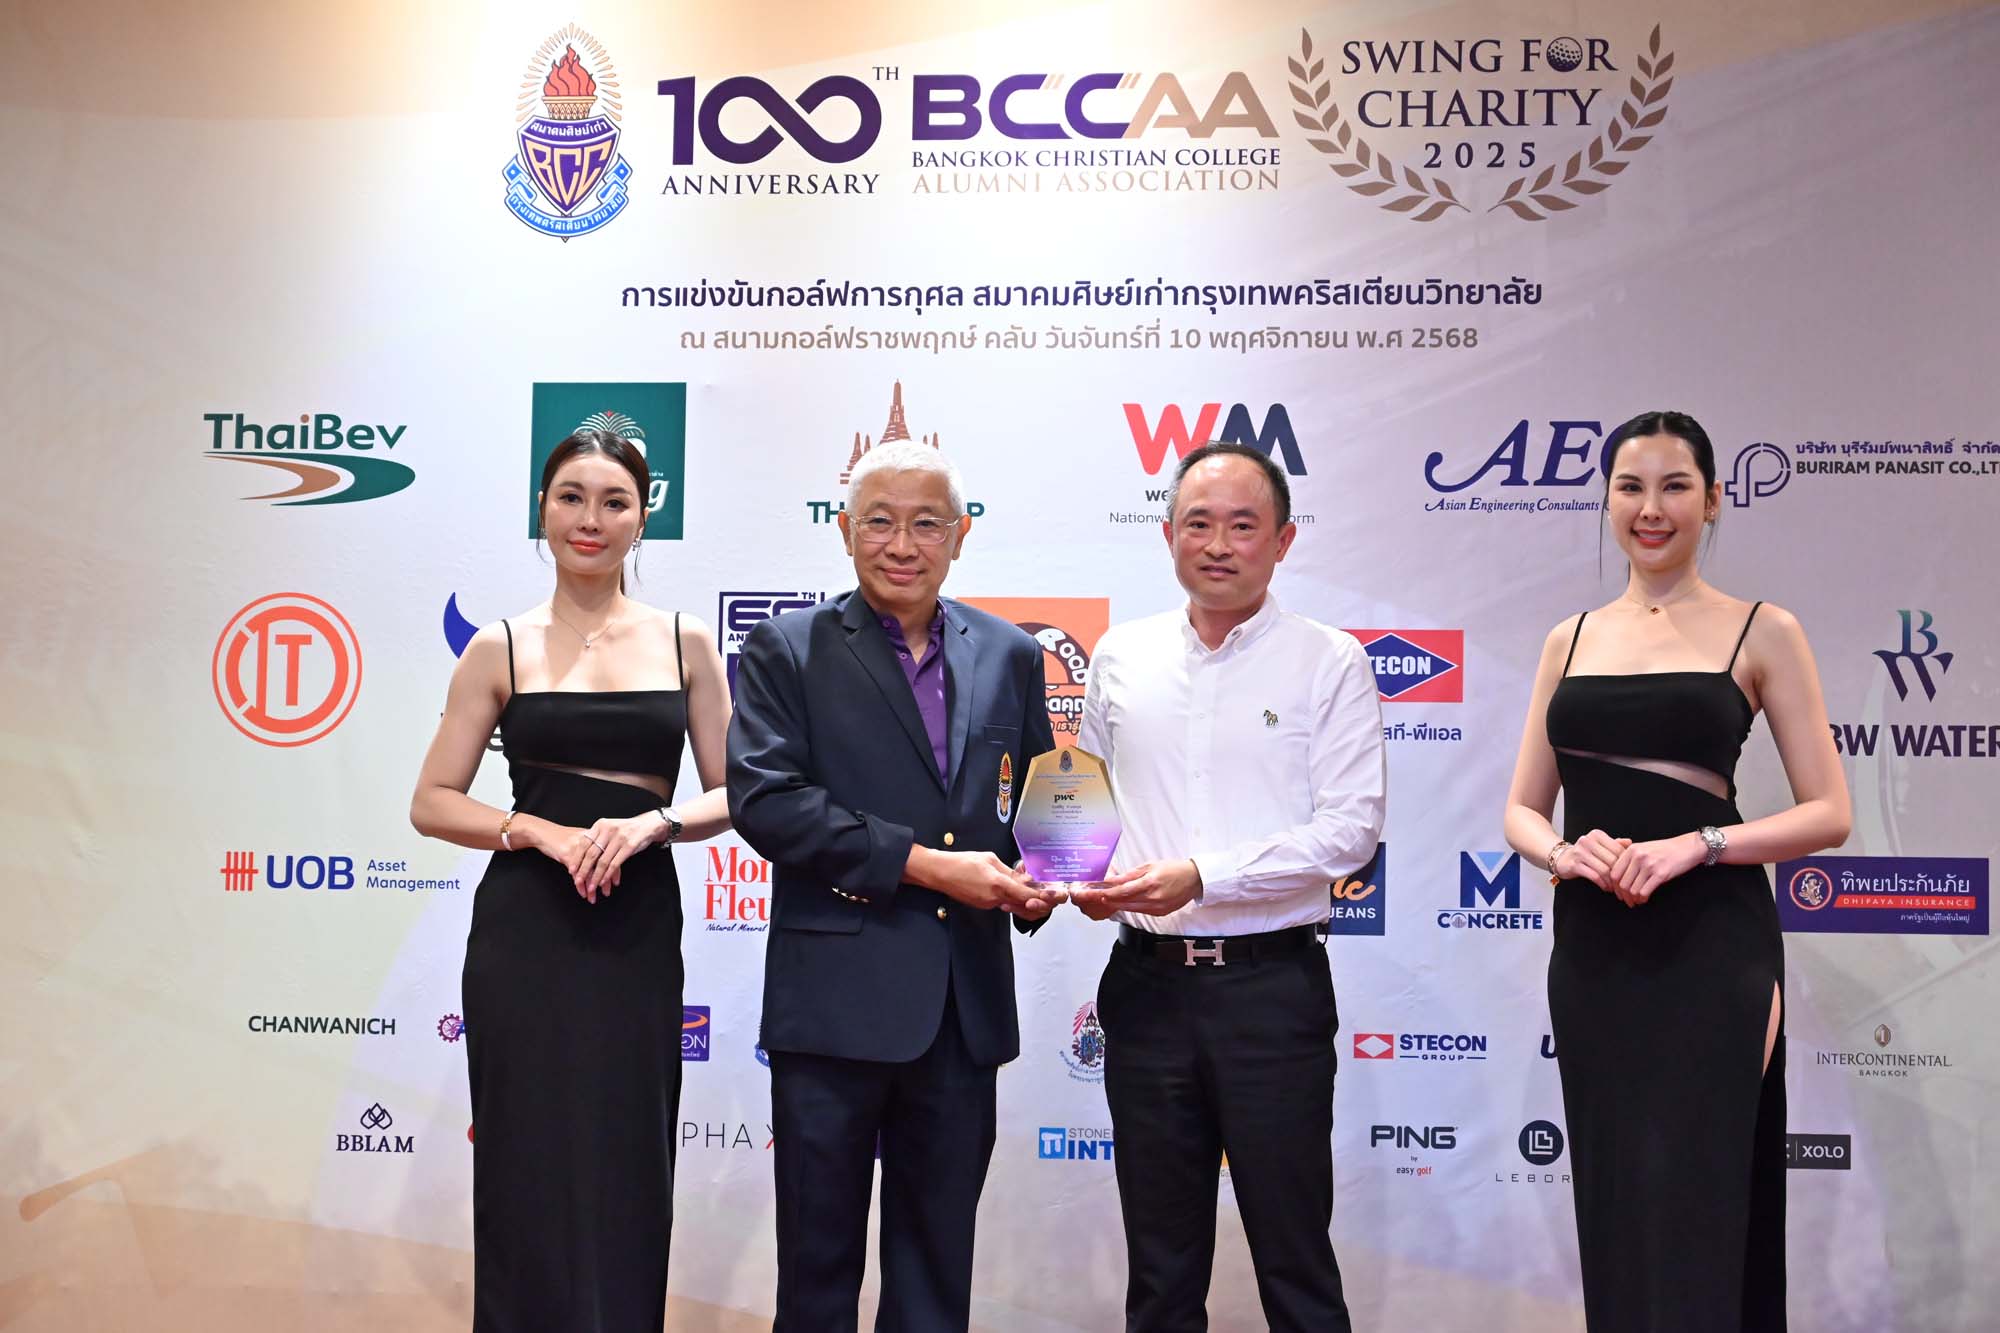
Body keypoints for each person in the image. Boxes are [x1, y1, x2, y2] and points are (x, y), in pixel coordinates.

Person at [1502, 410, 1850, 1333]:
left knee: (1702, 1195)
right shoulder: (1569, 639)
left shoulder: (1762, 630)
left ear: (1714, 500)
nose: (1650, 508)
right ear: (1608, 499)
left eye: (1674, 487)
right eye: (1630, 486)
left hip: (1713, 948)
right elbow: (1522, 809)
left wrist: (1700, 843)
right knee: (1618, 1200)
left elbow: (1830, 811)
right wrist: (1563, 852)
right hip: (1595, 949)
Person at [727, 439, 1060, 1333]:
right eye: (879, 521)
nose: (901, 544)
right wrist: (928, 864)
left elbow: (1033, 806)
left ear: (960, 536)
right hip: (831, 1007)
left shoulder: (1010, 652)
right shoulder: (788, 647)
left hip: (961, 1009)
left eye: (925, 524)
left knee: (934, 1280)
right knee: (818, 1274)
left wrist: (1041, 881)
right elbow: (768, 803)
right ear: (844, 531)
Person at [409, 428, 732, 1332]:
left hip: (636, 927)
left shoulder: (686, 641)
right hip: (527, 934)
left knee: (630, 1159)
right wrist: (538, 831)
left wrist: (656, 822)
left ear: (642, 517)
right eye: (571, 498)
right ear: (543, 510)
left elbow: (739, 790)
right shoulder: (499, 646)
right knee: (526, 1164)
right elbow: (431, 801)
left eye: (614, 501)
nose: (591, 519)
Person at [1069, 441, 1386, 1333]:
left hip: (1270, 990)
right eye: (1198, 522)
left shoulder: (1329, 661)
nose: (1217, 544)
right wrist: (1076, 875)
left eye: (1242, 525)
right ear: (1167, 532)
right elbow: (1087, 800)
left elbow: (1351, 830)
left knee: (1295, 1258)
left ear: (1282, 540)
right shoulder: (1121, 654)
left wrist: (1203, 876)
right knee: (1160, 1271)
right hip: (1145, 989)